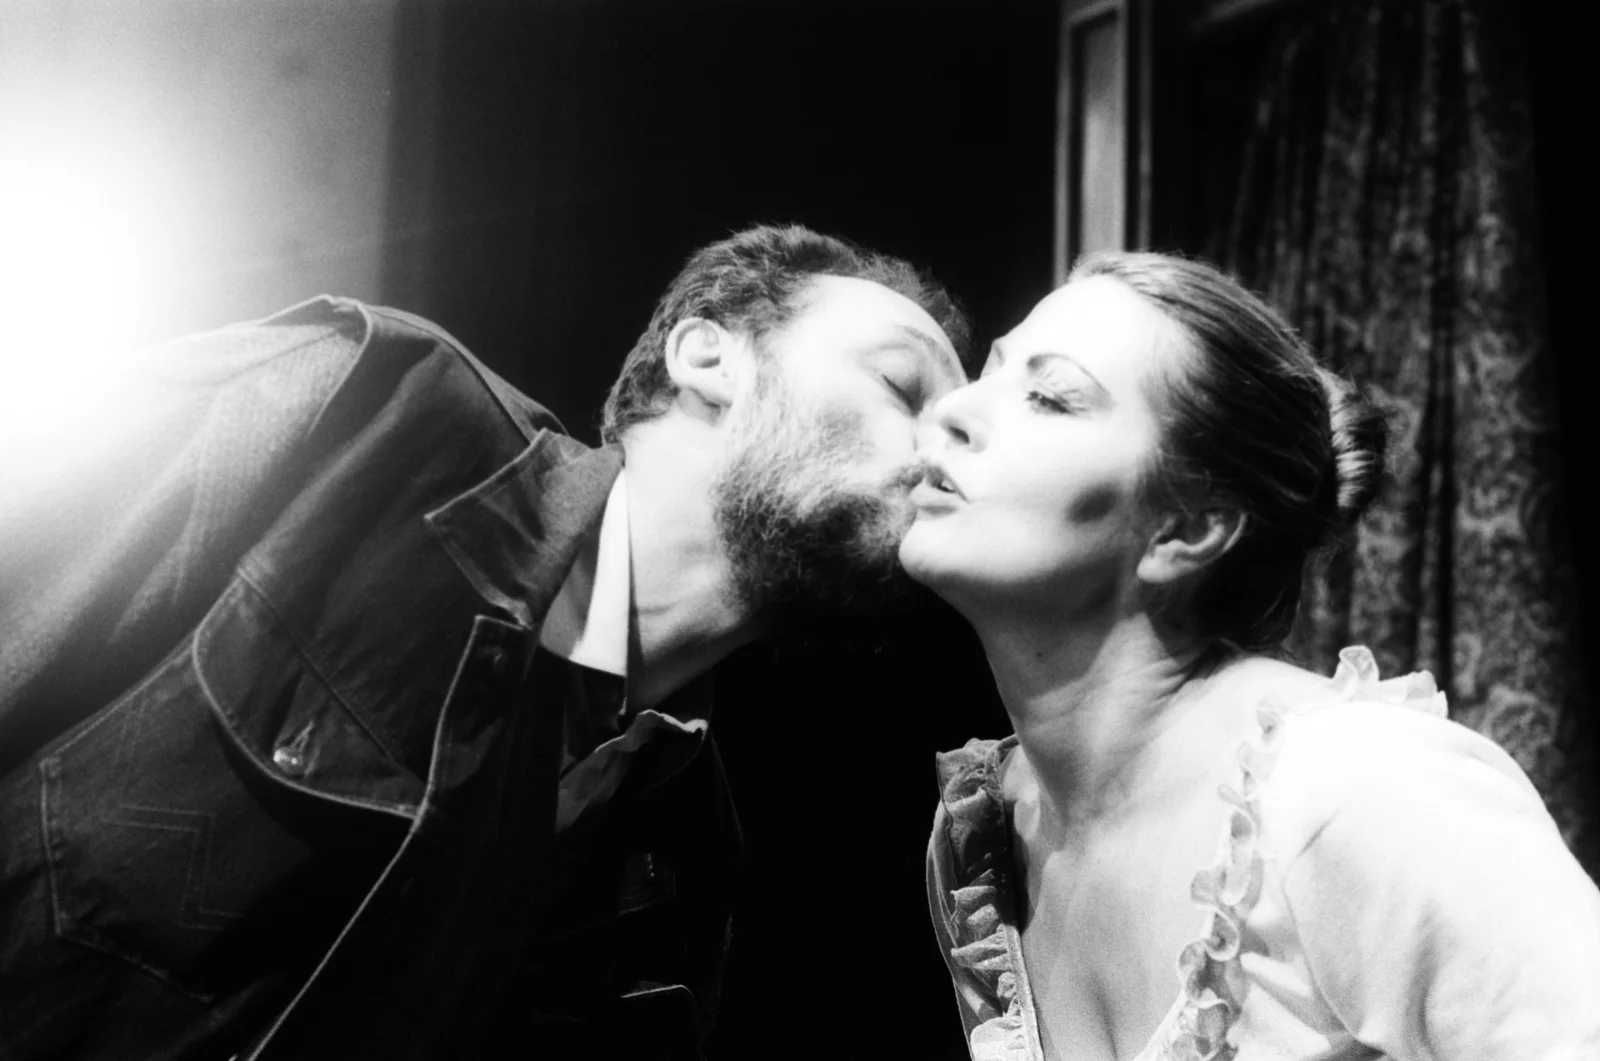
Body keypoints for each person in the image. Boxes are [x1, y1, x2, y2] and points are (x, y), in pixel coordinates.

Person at [0, 223, 970, 1059]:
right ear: (708, 359)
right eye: (902, 382)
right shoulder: (376, 412)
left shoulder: (686, 856)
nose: (951, 438)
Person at [906, 250, 1600, 1061]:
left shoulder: (1353, 788)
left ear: (1186, 528)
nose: (954, 409)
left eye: (1050, 397)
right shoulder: (985, 838)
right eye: (990, 371)